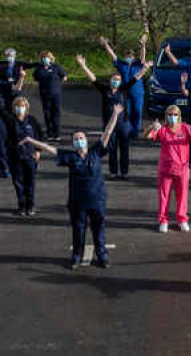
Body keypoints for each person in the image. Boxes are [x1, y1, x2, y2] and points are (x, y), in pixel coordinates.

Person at [23, 104, 124, 269]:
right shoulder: (69, 157)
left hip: (97, 200)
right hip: (77, 203)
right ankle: (76, 257)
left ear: (86, 140)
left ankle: (102, 256)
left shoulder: (96, 151)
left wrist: (115, 114)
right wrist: (30, 140)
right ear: (73, 143)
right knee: (79, 230)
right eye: (76, 139)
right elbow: (49, 149)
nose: (79, 141)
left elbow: (107, 133)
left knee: (99, 230)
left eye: (81, 138)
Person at [77, 55, 152, 180]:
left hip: (123, 124)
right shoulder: (105, 90)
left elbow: (136, 77)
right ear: (110, 80)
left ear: (120, 81)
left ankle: (124, 172)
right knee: (111, 149)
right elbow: (93, 79)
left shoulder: (124, 90)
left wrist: (146, 68)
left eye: (118, 79)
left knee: (124, 149)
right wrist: (83, 65)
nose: (115, 81)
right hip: (109, 126)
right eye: (113, 79)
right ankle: (113, 172)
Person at [144, 105, 191, 233]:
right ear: (166, 116)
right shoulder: (163, 129)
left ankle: (182, 220)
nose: (173, 117)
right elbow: (147, 136)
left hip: (182, 169)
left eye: (175, 115)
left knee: (182, 196)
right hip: (165, 169)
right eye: (170, 115)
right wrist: (152, 127)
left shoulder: (186, 128)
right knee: (164, 196)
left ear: (179, 116)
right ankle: (163, 221)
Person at [0, 86, 43, 216]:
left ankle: (31, 205)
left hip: (30, 156)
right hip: (15, 156)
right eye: (18, 106)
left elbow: (39, 136)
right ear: (14, 108)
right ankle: (22, 205)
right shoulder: (11, 120)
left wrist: (38, 150)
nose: (20, 108)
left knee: (30, 182)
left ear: (26, 107)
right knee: (18, 182)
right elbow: (1, 111)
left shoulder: (32, 121)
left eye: (22, 105)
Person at [99, 34, 148, 138]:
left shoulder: (138, 64)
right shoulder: (121, 64)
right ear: (125, 56)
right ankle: (127, 131)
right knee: (127, 113)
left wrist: (143, 44)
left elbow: (143, 56)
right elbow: (112, 55)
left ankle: (135, 133)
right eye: (127, 56)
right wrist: (106, 45)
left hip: (137, 93)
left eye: (131, 56)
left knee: (137, 112)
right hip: (125, 93)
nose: (129, 57)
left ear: (133, 57)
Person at [32, 51, 68, 141]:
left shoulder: (56, 67)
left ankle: (57, 134)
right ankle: (50, 133)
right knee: (47, 114)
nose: (45, 59)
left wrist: (58, 82)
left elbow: (64, 77)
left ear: (51, 59)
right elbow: (35, 78)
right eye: (43, 58)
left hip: (56, 94)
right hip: (45, 94)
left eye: (47, 58)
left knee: (56, 113)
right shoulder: (39, 69)